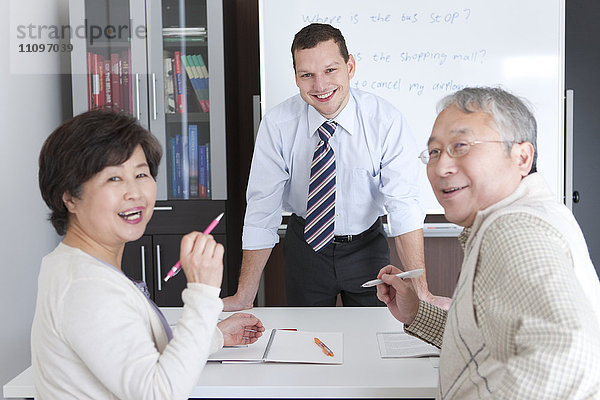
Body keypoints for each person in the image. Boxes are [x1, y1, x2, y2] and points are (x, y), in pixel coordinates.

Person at [377, 87, 600, 398]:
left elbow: (568, 359)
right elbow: (494, 343)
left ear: (522, 157)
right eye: (434, 152)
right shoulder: (528, 212)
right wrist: (418, 313)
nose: (441, 167)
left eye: (462, 146)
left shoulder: (514, 230)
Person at [32, 109, 265, 399]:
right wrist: (202, 292)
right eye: (113, 179)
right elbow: (158, 393)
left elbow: (139, 355)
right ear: (70, 197)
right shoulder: (87, 288)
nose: (135, 193)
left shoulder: (77, 266)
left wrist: (214, 335)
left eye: (141, 174)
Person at [223, 23, 450, 310]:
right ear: (296, 77)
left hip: (366, 248)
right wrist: (244, 295)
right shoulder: (277, 124)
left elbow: (403, 205)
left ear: (350, 66)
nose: (320, 86)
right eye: (307, 75)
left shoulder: (385, 120)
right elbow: (261, 210)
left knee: (373, 338)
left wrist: (423, 293)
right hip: (306, 246)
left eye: (330, 70)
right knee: (307, 341)